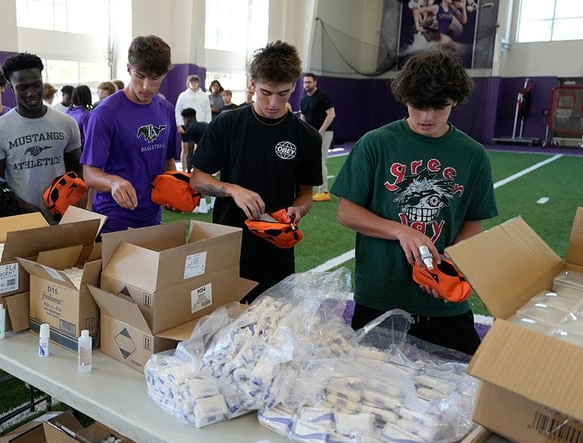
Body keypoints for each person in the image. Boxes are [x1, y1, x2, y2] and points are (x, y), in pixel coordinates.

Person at [330, 51, 497, 356]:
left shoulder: (473, 155)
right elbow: (347, 212)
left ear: (455, 101)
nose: (426, 117)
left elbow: (474, 221)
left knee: (464, 383)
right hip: (380, 293)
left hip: (443, 298)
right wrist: (401, 231)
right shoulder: (376, 143)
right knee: (368, 383)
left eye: (439, 107)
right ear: (404, 97)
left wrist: (451, 262)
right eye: (418, 106)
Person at [190, 41, 322, 303]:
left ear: (294, 86)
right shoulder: (227, 124)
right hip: (228, 243)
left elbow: (305, 193)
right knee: (224, 330)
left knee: (272, 331)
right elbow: (197, 179)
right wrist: (233, 190)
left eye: (283, 94)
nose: (274, 103)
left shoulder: (307, 137)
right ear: (253, 84)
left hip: (277, 250)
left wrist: (297, 211)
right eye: (266, 93)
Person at [81, 35, 179, 234]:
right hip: (114, 218)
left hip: (152, 215)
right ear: (128, 69)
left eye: (155, 78)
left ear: (165, 74)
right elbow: (89, 173)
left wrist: (171, 189)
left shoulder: (166, 109)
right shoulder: (104, 114)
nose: (146, 86)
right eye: (140, 75)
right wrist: (113, 181)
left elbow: (168, 161)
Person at [0, 53, 81, 223]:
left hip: (64, 218)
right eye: (22, 88)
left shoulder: (66, 123)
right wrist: (21, 206)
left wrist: (73, 203)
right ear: (11, 88)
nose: (31, 93)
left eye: (36, 85)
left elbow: (77, 170)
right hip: (22, 220)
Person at [299, 73, 336, 202]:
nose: (306, 85)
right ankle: (314, 190)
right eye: (305, 82)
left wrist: (320, 131)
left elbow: (331, 114)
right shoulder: (304, 100)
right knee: (310, 162)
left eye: (309, 82)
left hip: (324, 134)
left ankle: (324, 191)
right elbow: (303, 118)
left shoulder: (322, 96)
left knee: (320, 161)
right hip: (310, 135)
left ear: (315, 83)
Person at [180, 107, 207, 173]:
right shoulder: (204, 124)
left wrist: (188, 172)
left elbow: (189, 154)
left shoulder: (190, 129)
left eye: (184, 120)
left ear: (187, 120)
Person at [68, 85, 93, 150]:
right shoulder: (87, 115)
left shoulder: (68, 112)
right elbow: (88, 139)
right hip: (81, 150)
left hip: (68, 149)